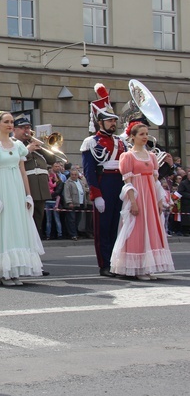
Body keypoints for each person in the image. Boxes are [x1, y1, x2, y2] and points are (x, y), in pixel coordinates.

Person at [0, 111, 44, 285]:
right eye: (6, 122)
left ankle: (14, 270)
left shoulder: (18, 146)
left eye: (11, 122)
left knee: (17, 225)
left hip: (16, 188)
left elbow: (23, 172)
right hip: (2, 187)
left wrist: (28, 195)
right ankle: (3, 272)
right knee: (4, 226)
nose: (10, 125)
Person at [110, 122, 174, 279]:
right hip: (138, 197)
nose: (145, 137)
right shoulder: (127, 156)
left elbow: (156, 181)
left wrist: (159, 200)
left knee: (150, 229)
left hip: (150, 198)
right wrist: (133, 202)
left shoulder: (151, 156)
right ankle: (137, 268)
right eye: (141, 134)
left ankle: (148, 267)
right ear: (132, 137)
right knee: (136, 229)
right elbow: (128, 182)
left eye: (146, 134)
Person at [81, 83, 127, 277]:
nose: (112, 124)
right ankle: (105, 264)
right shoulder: (91, 142)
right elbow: (89, 171)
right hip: (104, 184)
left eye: (113, 120)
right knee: (103, 228)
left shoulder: (120, 141)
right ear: (99, 121)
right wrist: (96, 194)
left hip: (120, 185)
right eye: (108, 120)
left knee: (117, 226)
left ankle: (116, 261)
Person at [63, 165, 86, 241]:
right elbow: (67, 193)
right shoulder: (68, 183)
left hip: (80, 202)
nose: (74, 176)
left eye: (75, 174)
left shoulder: (80, 181)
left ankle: (75, 233)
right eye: (72, 174)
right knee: (71, 220)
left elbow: (83, 190)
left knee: (77, 219)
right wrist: (69, 202)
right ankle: (73, 234)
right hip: (72, 203)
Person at [45, 168, 64, 240]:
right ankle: (49, 234)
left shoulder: (58, 183)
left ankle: (55, 234)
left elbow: (57, 191)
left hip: (52, 201)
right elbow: (53, 187)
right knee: (51, 219)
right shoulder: (50, 181)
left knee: (54, 219)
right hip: (51, 201)